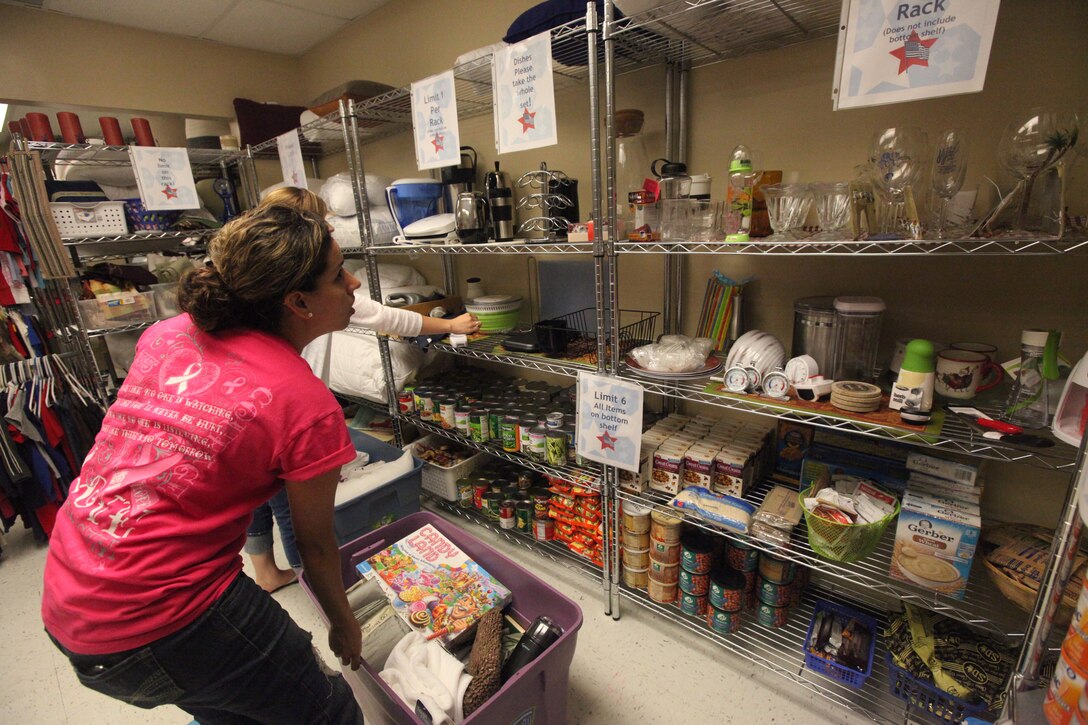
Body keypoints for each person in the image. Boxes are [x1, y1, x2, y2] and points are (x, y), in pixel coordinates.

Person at [41, 201, 479, 723]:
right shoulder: (302, 402)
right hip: (164, 614)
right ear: (297, 302)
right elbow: (316, 543)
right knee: (328, 710)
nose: (356, 284)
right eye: (340, 275)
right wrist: (344, 623)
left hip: (72, 591)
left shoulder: (166, 334)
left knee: (230, 708)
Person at [242, 186, 477, 594]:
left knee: (259, 491)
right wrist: (449, 326)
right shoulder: (315, 293)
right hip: (287, 411)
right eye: (321, 221)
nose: (331, 225)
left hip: (261, 415)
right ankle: (314, 584)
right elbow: (386, 315)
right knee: (290, 504)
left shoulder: (261, 294)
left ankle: (264, 568)